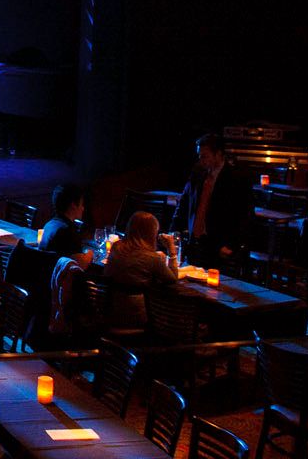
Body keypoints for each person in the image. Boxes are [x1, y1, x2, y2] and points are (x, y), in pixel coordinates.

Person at [173, 132, 252, 262]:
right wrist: (173, 232)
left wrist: (231, 245)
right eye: (200, 156)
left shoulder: (236, 179)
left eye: (205, 157)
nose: (201, 160)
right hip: (194, 241)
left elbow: (244, 215)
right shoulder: (198, 173)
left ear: (219, 154)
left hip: (218, 245)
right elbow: (184, 203)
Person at [101, 211, 178, 327]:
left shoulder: (116, 247)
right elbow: (173, 279)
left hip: (110, 313)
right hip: (137, 319)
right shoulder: (152, 258)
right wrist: (172, 251)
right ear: (151, 234)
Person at [37, 182, 91, 264]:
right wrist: (90, 255)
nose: (83, 209)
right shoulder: (68, 231)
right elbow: (78, 267)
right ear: (73, 205)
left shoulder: (49, 225)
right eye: (81, 204)